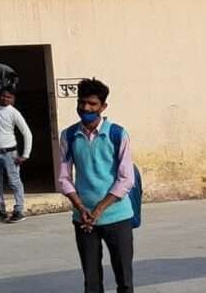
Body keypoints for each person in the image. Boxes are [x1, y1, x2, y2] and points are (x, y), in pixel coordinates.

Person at [58, 78, 136, 293]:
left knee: (124, 279)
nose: (86, 108)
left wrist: (100, 208)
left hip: (117, 216)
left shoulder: (117, 134)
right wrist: (80, 207)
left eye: (92, 104)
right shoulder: (69, 135)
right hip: (83, 219)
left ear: (103, 107)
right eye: (82, 102)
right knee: (91, 281)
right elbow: (64, 177)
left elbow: (126, 178)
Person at [0, 84, 33, 223]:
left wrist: (25, 155)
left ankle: (19, 211)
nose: (5, 98)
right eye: (3, 95)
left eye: (9, 97)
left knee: (14, 182)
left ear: (13, 99)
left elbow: (27, 133)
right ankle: (0, 211)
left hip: (10, 154)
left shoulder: (14, 112)